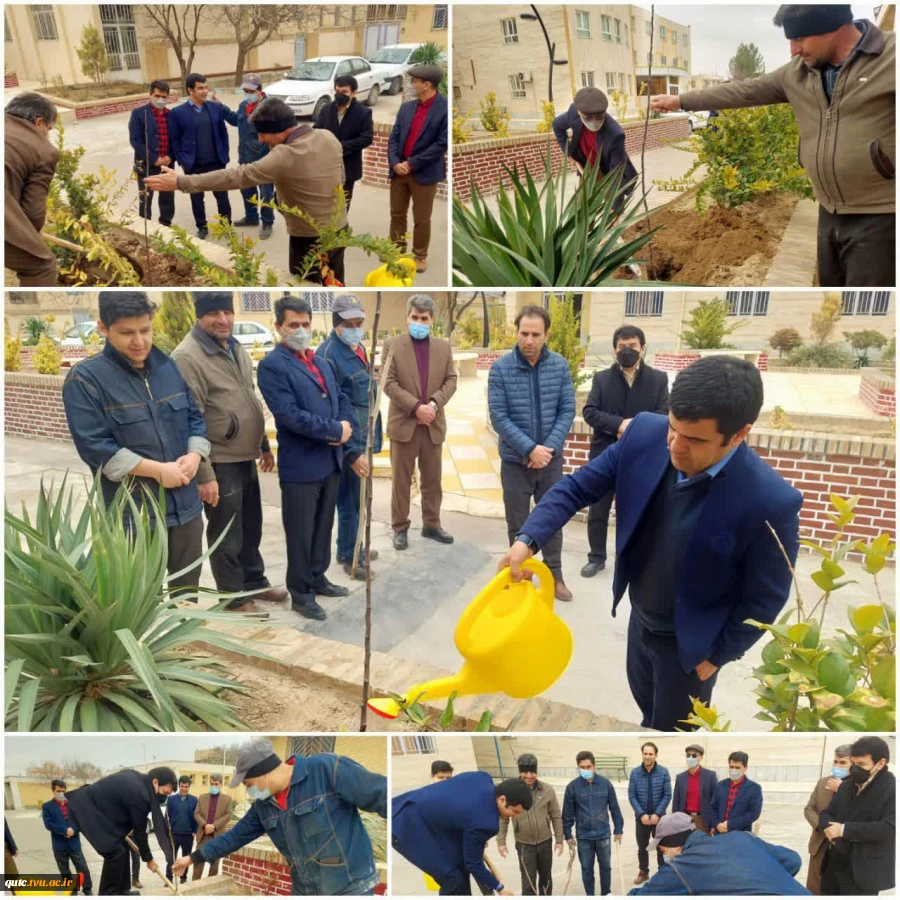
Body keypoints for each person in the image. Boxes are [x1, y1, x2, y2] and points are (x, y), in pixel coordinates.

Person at [499, 356, 802, 731]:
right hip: (640, 622)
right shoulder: (644, 434)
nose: (675, 446)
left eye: (695, 440)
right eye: (673, 429)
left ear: (739, 434)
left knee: (672, 734)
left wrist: (718, 657)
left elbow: (766, 596)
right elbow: (577, 487)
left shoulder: (770, 500)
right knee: (646, 710)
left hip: (691, 650)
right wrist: (527, 540)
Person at [650, 5, 895, 287]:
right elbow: (743, 91)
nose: (794, 50)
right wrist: (681, 101)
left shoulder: (889, 59)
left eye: (799, 39)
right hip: (829, 211)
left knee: (869, 304)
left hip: (882, 214)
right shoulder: (798, 73)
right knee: (831, 297)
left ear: (832, 29)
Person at [62, 291, 210, 599]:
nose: (139, 341)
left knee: (187, 599)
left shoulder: (168, 367)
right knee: (141, 602)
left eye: (145, 330)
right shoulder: (86, 379)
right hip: (135, 517)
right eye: (127, 333)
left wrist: (195, 456)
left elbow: (195, 418)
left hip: (186, 509)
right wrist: (156, 471)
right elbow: (95, 447)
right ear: (103, 328)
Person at [171, 291, 288, 615]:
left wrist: (262, 444)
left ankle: (254, 583)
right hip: (219, 460)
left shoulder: (234, 347)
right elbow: (187, 419)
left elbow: (246, 398)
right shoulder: (188, 357)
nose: (222, 319)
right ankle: (233, 599)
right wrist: (204, 475)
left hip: (244, 455)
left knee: (251, 526)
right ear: (199, 315)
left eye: (227, 311)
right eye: (213, 313)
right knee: (227, 533)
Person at [147, 97, 347, 285]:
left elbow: (238, 176)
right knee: (335, 281)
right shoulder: (327, 136)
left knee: (305, 284)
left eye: (262, 133)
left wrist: (182, 182)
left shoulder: (284, 154)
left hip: (309, 238)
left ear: (277, 129)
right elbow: (341, 179)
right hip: (340, 227)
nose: (260, 140)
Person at [172, 739, 387, 895]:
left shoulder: (326, 770)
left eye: (248, 784)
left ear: (263, 771)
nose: (249, 791)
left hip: (349, 887)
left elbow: (381, 795)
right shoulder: (263, 807)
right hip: (305, 889)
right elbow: (232, 838)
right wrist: (192, 858)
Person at [256, 296, 354, 621]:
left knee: (323, 527)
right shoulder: (273, 366)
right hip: (301, 466)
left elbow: (339, 397)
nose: (300, 330)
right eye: (293, 325)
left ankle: (318, 577)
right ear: (279, 327)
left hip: (330, 462)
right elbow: (289, 416)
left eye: (305, 324)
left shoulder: (320, 361)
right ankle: (301, 593)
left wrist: (343, 425)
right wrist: (333, 430)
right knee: (300, 532)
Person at [489, 305, 576, 601]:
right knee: (517, 523)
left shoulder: (560, 366)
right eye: (523, 333)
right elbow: (499, 416)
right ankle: (521, 575)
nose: (529, 340)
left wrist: (546, 450)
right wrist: (529, 448)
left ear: (546, 335)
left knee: (552, 520)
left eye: (535, 334)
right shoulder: (501, 368)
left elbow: (567, 410)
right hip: (516, 462)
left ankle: (556, 576)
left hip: (550, 462)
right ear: (516, 332)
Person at [580, 326, 670, 578]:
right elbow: (590, 412)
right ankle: (596, 557)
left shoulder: (658, 379)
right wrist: (619, 424)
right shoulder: (601, 379)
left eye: (632, 345)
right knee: (598, 510)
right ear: (614, 350)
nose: (627, 351)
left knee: (633, 511)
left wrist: (636, 427)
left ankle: (629, 559)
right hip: (605, 455)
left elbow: (665, 413)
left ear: (642, 347)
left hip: (641, 457)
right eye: (621, 347)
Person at [316, 294, 383, 580]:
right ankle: (348, 553)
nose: (356, 328)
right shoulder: (329, 355)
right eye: (349, 323)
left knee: (362, 499)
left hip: (364, 437)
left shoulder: (357, 348)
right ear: (337, 324)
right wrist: (352, 453)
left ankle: (359, 543)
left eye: (359, 322)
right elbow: (333, 409)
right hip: (349, 444)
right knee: (350, 501)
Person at [384, 296, 458, 551]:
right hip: (404, 424)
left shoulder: (443, 347)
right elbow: (388, 383)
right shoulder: (392, 345)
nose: (418, 322)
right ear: (407, 317)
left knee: (432, 480)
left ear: (432, 320)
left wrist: (434, 406)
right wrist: (416, 408)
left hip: (432, 425)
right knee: (401, 482)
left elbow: (451, 380)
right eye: (414, 317)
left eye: (423, 319)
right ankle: (400, 527)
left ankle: (432, 524)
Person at [393, 772, 532, 896]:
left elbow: (464, 815)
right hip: (407, 827)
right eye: (515, 812)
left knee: (461, 866)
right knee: (453, 880)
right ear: (502, 799)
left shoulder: (482, 777)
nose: (515, 817)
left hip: (428, 818)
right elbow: (474, 864)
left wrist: (475, 837)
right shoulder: (485, 823)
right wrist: (499, 887)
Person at [627, 812, 810, 896]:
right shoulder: (743, 837)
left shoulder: (681, 868)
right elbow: (793, 860)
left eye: (663, 851)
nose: (666, 857)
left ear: (675, 845)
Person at [66, 766, 176, 896]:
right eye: (164, 792)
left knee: (123, 847)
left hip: (101, 811)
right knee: (115, 852)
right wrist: (149, 860)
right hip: (87, 809)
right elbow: (140, 832)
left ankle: (123, 891)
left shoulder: (139, 779)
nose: (164, 797)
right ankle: (108, 894)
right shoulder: (141, 794)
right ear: (155, 782)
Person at [388, 64, 448, 273]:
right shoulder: (407, 107)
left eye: (415, 81)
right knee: (397, 213)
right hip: (399, 171)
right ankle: (396, 250)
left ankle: (420, 255)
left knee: (422, 218)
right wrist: (395, 162)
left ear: (427, 84)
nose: (412, 84)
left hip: (424, 173)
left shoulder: (445, 109)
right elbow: (394, 136)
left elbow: (441, 144)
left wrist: (411, 164)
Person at [818, 735, 896, 896]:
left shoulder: (892, 789)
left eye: (861, 764)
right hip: (834, 865)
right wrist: (831, 832)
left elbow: (889, 828)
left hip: (864, 872)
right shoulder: (847, 785)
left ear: (880, 763)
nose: (855, 769)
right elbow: (827, 813)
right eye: (853, 763)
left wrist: (844, 830)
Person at [167, 72, 232, 239]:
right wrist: (182, 160)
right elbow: (175, 139)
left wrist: (224, 154)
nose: (205, 91)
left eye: (206, 87)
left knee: (222, 196)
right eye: (200, 88)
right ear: (190, 90)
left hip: (216, 161)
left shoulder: (215, 107)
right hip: (193, 163)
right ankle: (201, 227)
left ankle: (226, 225)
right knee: (196, 198)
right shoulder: (177, 113)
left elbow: (223, 133)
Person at [5, 91, 60, 286]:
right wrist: (30, 235)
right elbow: (33, 213)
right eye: (49, 128)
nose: (48, 134)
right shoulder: (44, 150)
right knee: (42, 266)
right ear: (39, 123)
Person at [552, 86, 638, 208]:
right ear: (578, 112)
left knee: (613, 208)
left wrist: (614, 209)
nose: (594, 121)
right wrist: (568, 153)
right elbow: (557, 126)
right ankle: (587, 227)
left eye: (599, 117)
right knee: (582, 208)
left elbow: (616, 174)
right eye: (588, 117)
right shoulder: (573, 114)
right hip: (587, 167)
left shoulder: (615, 134)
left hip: (608, 170)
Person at [497, 754, 564, 896]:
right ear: (520, 772)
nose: (529, 776)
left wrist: (559, 839)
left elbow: (556, 815)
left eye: (532, 772)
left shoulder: (547, 790)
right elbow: (503, 817)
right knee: (528, 882)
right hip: (524, 844)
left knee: (546, 880)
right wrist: (501, 841)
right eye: (525, 772)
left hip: (545, 842)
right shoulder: (511, 790)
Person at [562, 750, 624, 896]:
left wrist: (618, 829)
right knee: (586, 869)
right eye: (582, 767)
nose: (586, 770)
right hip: (584, 837)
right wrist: (567, 834)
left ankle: (606, 893)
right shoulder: (572, 787)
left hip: (603, 834)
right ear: (578, 767)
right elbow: (567, 813)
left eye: (588, 767)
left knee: (606, 868)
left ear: (594, 766)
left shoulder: (605, 784)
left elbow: (614, 808)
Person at [222, 74, 275, 240]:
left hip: (263, 158)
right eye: (245, 90)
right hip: (244, 156)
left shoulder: (270, 108)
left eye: (250, 90)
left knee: (266, 192)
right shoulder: (243, 105)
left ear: (259, 90)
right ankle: (251, 217)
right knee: (246, 189)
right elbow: (236, 121)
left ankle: (267, 222)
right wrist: (221, 108)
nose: (247, 93)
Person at [316, 74, 374, 210]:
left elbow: (366, 138)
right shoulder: (326, 110)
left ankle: (340, 230)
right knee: (324, 203)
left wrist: (341, 147)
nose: (339, 95)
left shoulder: (363, 113)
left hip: (348, 166)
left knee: (342, 205)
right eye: (337, 91)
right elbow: (317, 131)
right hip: (325, 166)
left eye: (344, 92)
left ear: (354, 93)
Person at [804, 743, 852, 894]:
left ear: (853, 764)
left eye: (843, 763)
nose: (838, 766)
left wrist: (841, 790)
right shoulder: (822, 782)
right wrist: (822, 827)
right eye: (836, 762)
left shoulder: (856, 787)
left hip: (842, 847)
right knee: (814, 888)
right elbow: (809, 808)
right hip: (819, 844)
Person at [128, 80, 175, 229]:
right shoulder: (139, 114)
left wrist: (171, 156)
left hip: (167, 165)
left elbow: (176, 139)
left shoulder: (171, 115)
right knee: (146, 197)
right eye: (157, 96)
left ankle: (166, 224)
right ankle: (146, 227)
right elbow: (135, 140)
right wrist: (154, 159)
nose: (160, 100)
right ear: (150, 95)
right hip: (147, 164)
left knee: (167, 197)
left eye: (164, 97)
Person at [628, 743, 672, 885]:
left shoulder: (663, 772)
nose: (647, 756)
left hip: (659, 819)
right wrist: (641, 814)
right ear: (642, 754)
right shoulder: (635, 773)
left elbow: (667, 795)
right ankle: (644, 872)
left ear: (656, 755)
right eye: (645, 753)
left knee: (661, 847)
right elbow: (632, 795)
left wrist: (657, 814)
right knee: (642, 847)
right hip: (641, 819)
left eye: (650, 754)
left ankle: (662, 872)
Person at [42, 780, 94, 896]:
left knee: (82, 867)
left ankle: (87, 888)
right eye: (58, 791)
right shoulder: (47, 806)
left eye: (63, 791)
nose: (61, 793)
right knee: (64, 870)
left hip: (74, 843)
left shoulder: (73, 804)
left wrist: (73, 830)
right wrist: (64, 830)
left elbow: (81, 821)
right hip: (59, 844)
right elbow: (48, 824)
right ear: (53, 791)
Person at [709, 752, 763, 835]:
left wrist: (730, 824)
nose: (733, 770)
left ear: (745, 768)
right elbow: (712, 808)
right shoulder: (720, 785)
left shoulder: (754, 788)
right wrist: (717, 824)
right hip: (719, 833)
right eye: (731, 767)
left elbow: (754, 813)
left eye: (737, 767)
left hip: (740, 835)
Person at [192, 773, 233, 881]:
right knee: (198, 864)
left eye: (216, 784)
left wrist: (214, 826)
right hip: (203, 836)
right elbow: (196, 813)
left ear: (221, 784)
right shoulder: (202, 797)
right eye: (212, 784)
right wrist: (205, 825)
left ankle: (209, 887)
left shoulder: (227, 799)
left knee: (214, 866)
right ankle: (194, 887)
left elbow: (228, 815)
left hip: (217, 837)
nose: (213, 786)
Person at [672, 744, 717, 835]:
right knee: (686, 846)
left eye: (694, 755)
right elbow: (676, 801)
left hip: (703, 819)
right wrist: (675, 821)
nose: (690, 758)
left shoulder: (710, 776)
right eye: (688, 755)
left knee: (703, 847)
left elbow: (715, 802)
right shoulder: (680, 777)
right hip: (684, 818)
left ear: (701, 757)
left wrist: (714, 824)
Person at [164, 776, 197, 885]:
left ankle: (183, 877)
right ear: (179, 786)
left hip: (188, 835)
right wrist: (167, 832)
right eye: (182, 786)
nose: (184, 789)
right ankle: (168, 878)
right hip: (174, 834)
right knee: (170, 857)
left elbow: (197, 817)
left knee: (186, 857)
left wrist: (195, 831)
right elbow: (166, 816)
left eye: (186, 786)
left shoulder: (194, 800)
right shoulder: (171, 799)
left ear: (189, 786)